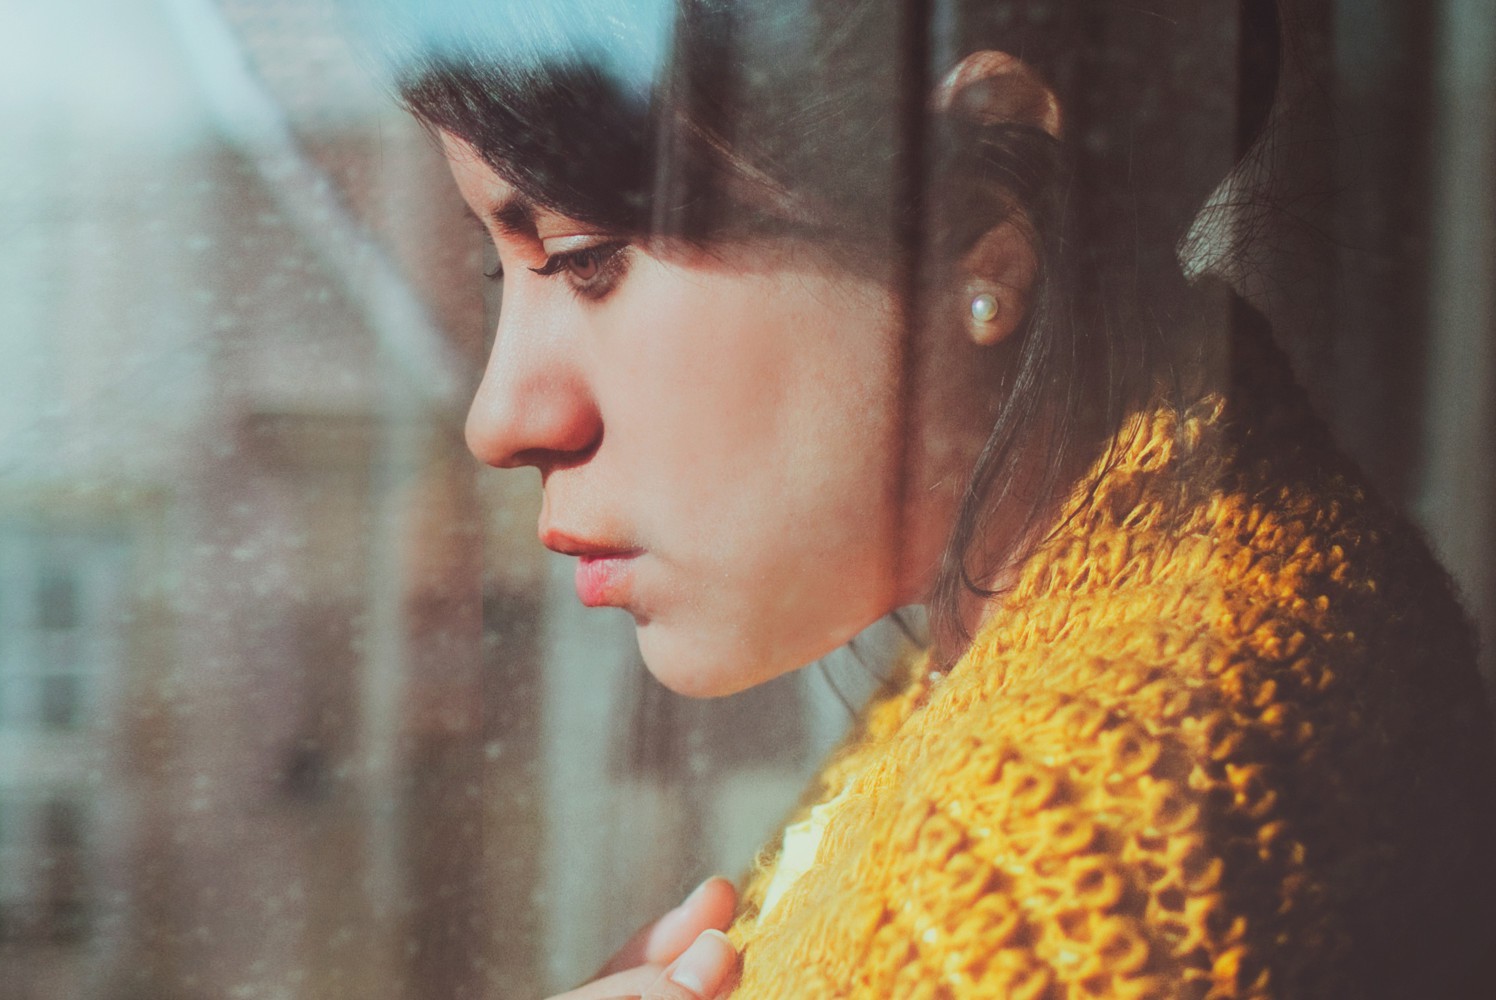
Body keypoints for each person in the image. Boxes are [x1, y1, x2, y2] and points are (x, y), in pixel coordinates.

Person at [373, 0, 1496, 996]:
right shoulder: (1074, 610)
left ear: (968, 219)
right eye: (497, 268)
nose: (499, 419)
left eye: (582, 257)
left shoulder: (1066, 874)